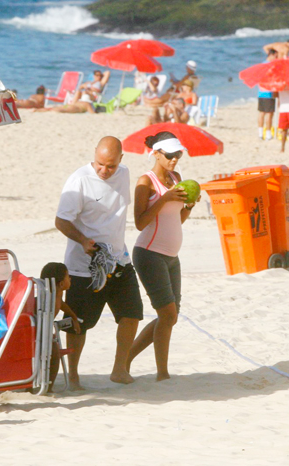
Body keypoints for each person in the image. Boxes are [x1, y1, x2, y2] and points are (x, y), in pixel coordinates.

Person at [55, 136, 143, 388]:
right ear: (94, 155)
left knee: (131, 314)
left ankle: (119, 369)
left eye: (111, 166)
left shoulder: (124, 174)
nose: (105, 171)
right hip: (83, 268)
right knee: (78, 325)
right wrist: (83, 240)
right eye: (100, 164)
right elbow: (61, 221)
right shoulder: (79, 180)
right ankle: (72, 375)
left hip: (118, 260)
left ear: (121, 161)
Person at [127, 132, 197, 381]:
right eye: (169, 155)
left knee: (170, 317)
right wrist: (165, 198)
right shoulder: (145, 182)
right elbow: (139, 222)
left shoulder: (177, 178)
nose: (175, 159)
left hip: (171, 256)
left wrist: (189, 205)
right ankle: (162, 374)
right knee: (167, 315)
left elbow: (176, 220)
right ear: (156, 154)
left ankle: (124, 360)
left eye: (178, 154)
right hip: (149, 254)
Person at [39, 262, 81, 387]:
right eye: (68, 276)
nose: (70, 279)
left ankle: (47, 384)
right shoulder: (48, 296)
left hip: (45, 330)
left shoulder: (57, 293)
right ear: (61, 283)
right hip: (39, 331)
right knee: (54, 356)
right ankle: (49, 386)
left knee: (53, 354)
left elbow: (62, 304)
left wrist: (74, 317)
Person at [257, 48, 278, 140]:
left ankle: (260, 133)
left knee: (262, 113)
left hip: (261, 91)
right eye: (276, 56)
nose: (277, 58)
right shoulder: (270, 66)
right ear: (272, 55)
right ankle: (268, 133)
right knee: (269, 113)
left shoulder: (262, 64)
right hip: (268, 92)